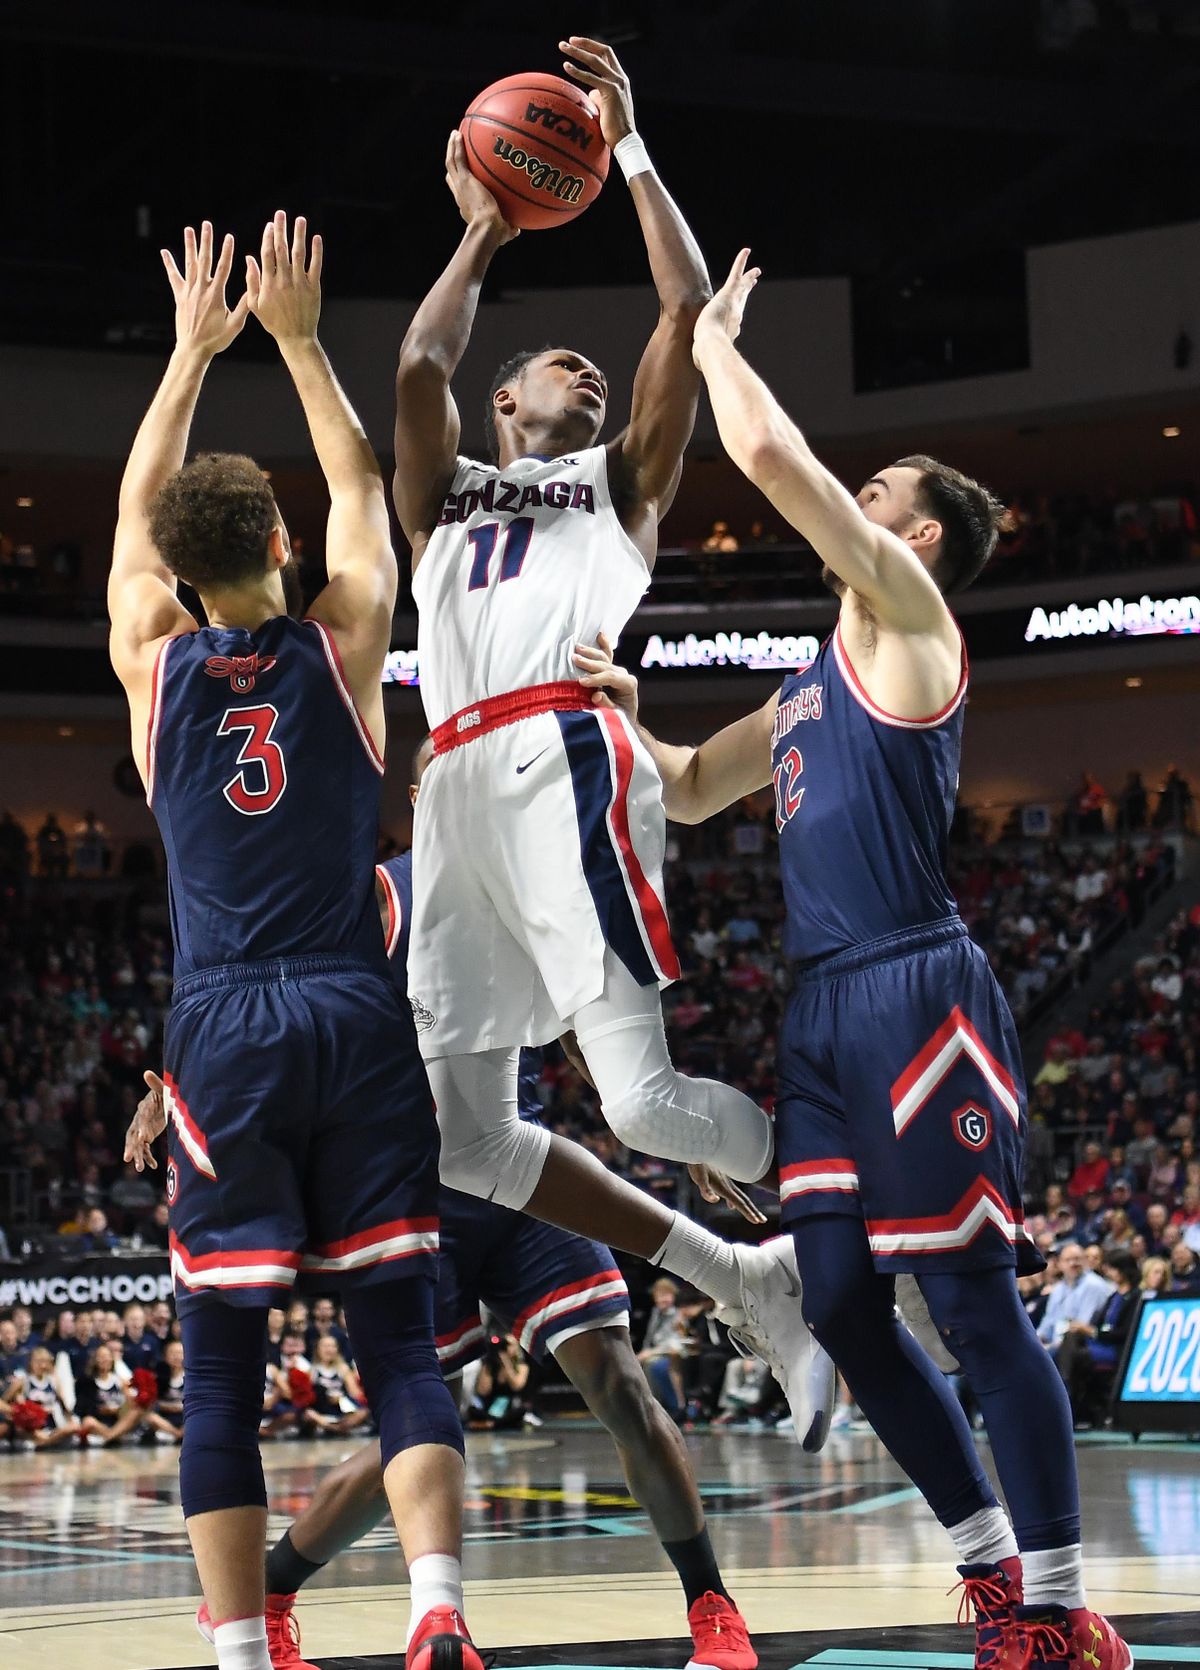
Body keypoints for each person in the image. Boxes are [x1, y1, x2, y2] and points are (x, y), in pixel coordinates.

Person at [573, 247, 1132, 1668]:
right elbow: (693, 786)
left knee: (969, 1303)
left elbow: (762, 446)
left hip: (916, 987)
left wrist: (701, 338)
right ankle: (993, 1572)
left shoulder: (908, 621)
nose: (863, 495)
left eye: (883, 493)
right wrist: (620, 719)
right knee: (829, 1300)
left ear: (922, 539)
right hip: (823, 1015)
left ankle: (1066, 1607)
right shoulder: (813, 678)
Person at [391, 35, 822, 1430]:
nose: (579, 369)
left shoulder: (618, 481)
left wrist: (628, 149)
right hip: (452, 788)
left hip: (558, 754)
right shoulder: (444, 496)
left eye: (589, 365)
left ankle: (826, 1172)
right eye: (549, 366)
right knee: (464, 1136)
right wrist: (481, 229)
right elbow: (417, 358)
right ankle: (742, 1273)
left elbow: (686, 307)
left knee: (636, 1108)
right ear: (501, 405)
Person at [125, 767, 764, 1670]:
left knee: (620, 1384)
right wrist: (172, 1089)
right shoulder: (367, 897)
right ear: (422, 804)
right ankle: (268, 1594)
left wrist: (672, 1124)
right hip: (408, 1190)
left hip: (520, 1178)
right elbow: (254, 1000)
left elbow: (592, 1031)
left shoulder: (524, 895)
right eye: (446, 786)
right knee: (413, 1431)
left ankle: (712, 1605)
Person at [110, 215, 477, 1670]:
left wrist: (191, 355)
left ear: (179, 576)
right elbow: (363, 493)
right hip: (351, 1005)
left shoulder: (150, 667)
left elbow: (141, 519)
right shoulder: (342, 640)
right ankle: (437, 1605)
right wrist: (302, 340)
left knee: (221, 1368)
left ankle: (244, 1656)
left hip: (224, 1023)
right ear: (277, 544)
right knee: (399, 1346)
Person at [1052, 1252, 1139, 1425]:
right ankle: (1066, 1395)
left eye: (1113, 1269)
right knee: (1067, 1341)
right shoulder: (1113, 1296)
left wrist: (1091, 1331)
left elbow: (1125, 1333)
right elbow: (1099, 1324)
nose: (1109, 1273)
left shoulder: (1135, 1297)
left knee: (1073, 1356)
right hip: (1099, 1344)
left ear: (1123, 1270)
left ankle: (1066, 1398)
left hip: (1115, 1348)